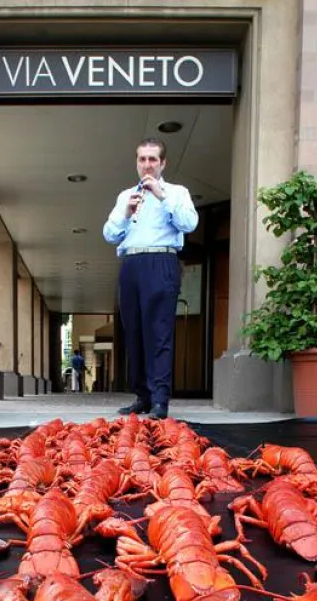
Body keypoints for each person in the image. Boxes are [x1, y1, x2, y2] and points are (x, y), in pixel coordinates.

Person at [103, 138, 198, 420]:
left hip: (161, 260)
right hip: (131, 263)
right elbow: (109, 234)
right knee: (133, 333)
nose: (147, 164)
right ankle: (142, 396)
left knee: (159, 333)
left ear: (163, 163)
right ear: (136, 162)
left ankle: (160, 400)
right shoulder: (125, 196)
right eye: (142, 159)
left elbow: (189, 223)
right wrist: (125, 213)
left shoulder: (177, 193)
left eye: (153, 159)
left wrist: (161, 196)